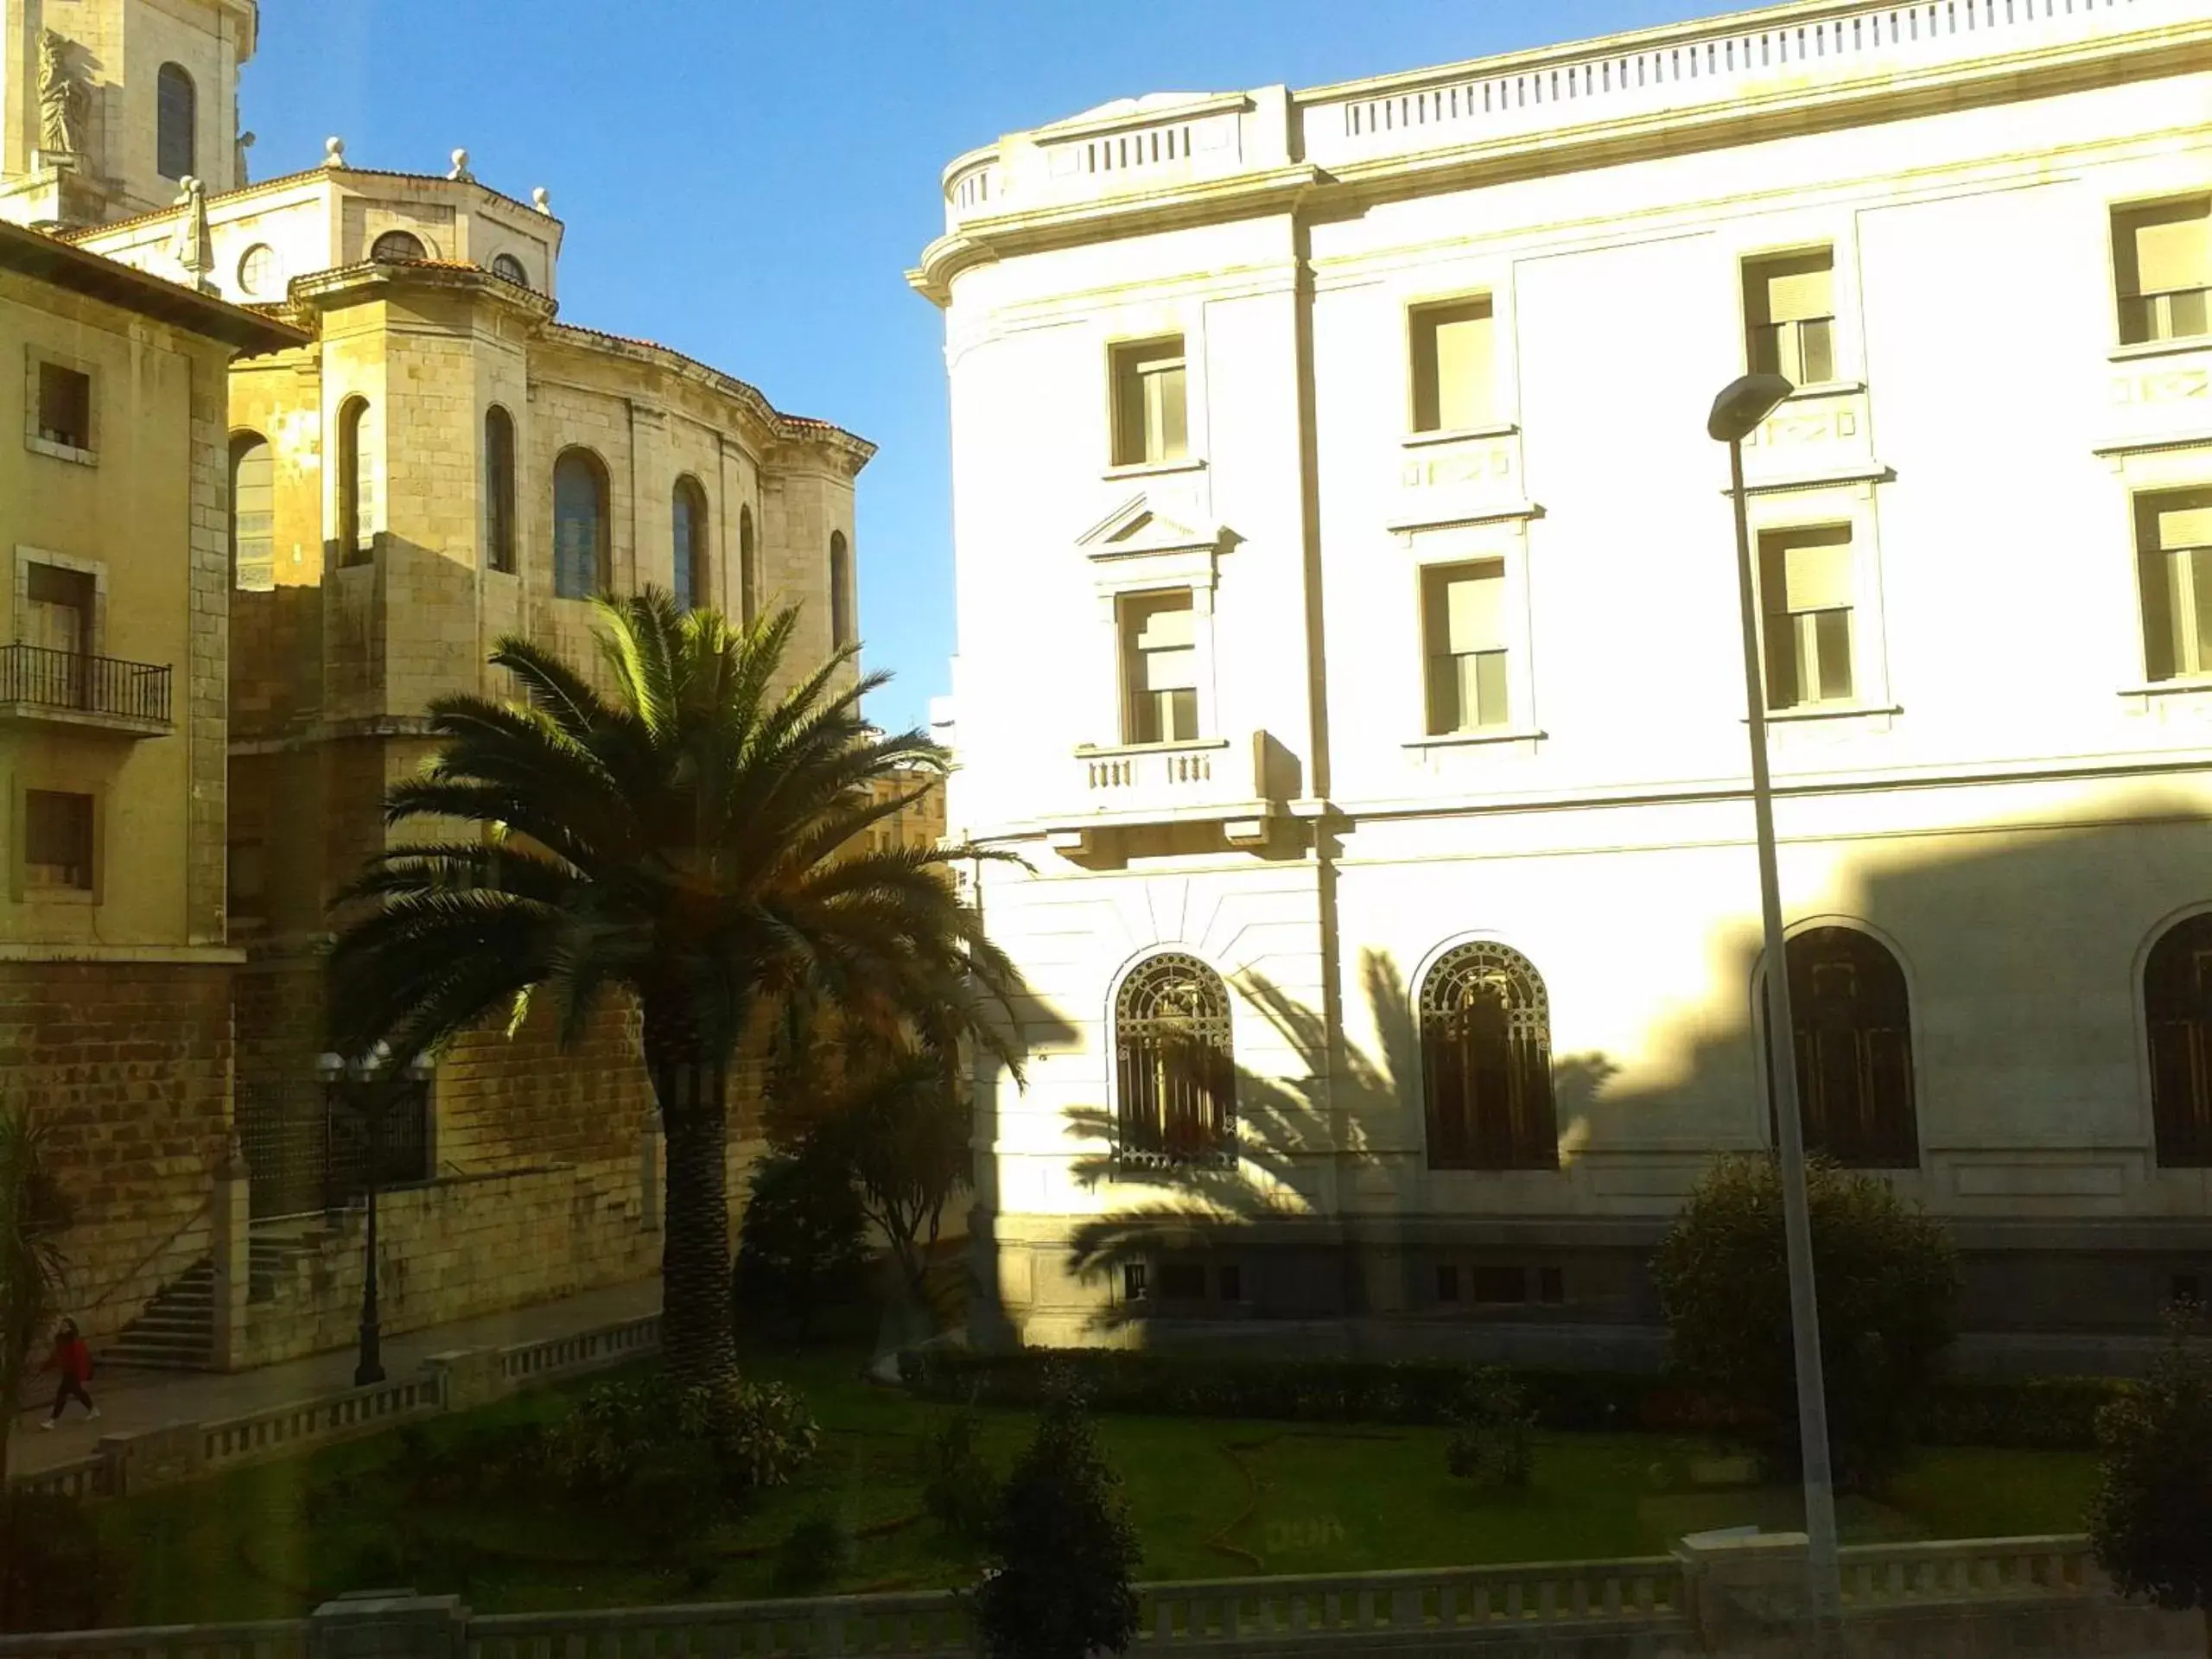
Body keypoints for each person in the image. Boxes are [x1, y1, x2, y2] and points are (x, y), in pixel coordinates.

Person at [36, 1318, 98, 1429]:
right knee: (75, 1394)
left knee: (64, 1395)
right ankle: (92, 1409)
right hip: (68, 1373)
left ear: (71, 1328)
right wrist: (44, 1368)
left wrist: (83, 1378)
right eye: (62, 1326)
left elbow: (81, 1361)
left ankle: (52, 1420)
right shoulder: (61, 1341)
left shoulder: (75, 1342)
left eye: (66, 1326)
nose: (63, 1328)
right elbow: (56, 1357)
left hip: (74, 1373)